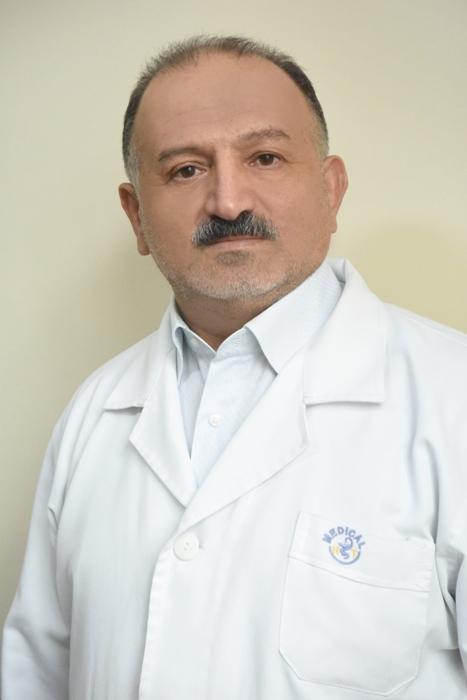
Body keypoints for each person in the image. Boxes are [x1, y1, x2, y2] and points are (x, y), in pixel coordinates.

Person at [2, 35, 467, 700]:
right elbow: (34, 675)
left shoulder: (452, 396)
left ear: (331, 189)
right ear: (136, 216)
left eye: (265, 158)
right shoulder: (92, 413)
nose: (227, 202)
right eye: (186, 170)